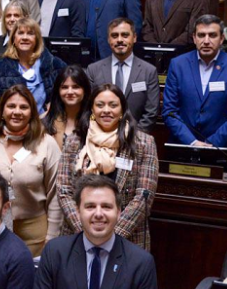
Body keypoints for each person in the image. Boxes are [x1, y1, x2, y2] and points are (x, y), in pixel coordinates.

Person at [58, 84, 159, 250]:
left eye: (113, 105)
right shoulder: (74, 141)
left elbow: (144, 197)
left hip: (128, 239)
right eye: (100, 105)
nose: (106, 110)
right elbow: (64, 191)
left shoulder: (143, 143)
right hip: (78, 236)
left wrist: (111, 236)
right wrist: (86, 233)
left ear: (122, 110)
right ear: (91, 109)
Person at [34, 175, 158, 289]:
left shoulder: (141, 263)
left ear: (119, 212)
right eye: (90, 206)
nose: (98, 214)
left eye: (106, 206)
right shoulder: (55, 253)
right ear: (78, 212)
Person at [0, 85, 61, 257]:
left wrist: (52, 237)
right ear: (2, 111)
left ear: (32, 112)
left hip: (35, 233)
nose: (17, 112)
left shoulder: (46, 144)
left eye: (24, 107)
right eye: (11, 106)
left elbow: (56, 193)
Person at [162, 14, 227, 168]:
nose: (206, 41)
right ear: (194, 38)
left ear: (221, 39)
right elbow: (169, 111)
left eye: (212, 35)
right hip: (182, 149)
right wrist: (193, 142)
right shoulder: (178, 65)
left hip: (222, 152)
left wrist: (210, 144)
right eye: (201, 35)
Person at [87, 18, 160, 132]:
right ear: (108, 39)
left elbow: (151, 112)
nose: (119, 40)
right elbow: (88, 108)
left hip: (135, 140)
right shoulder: (94, 70)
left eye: (125, 35)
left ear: (134, 38)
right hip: (100, 139)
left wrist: (133, 137)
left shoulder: (149, 71)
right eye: (115, 36)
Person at [0, 17, 67, 113]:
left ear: (37, 39)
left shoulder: (54, 65)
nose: (25, 37)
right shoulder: (0, 70)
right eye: (20, 33)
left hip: (47, 125)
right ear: (14, 38)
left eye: (30, 33)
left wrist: (55, 107)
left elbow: (69, 92)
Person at [43, 65, 92, 149]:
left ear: (85, 90)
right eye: (64, 87)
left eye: (75, 87)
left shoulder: (94, 121)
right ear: (58, 91)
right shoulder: (45, 122)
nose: (70, 92)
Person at [0, 0, 29, 66]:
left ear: (25, 18)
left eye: (16, 15)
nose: (12, 19)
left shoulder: (33, 43)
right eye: (8, 16)